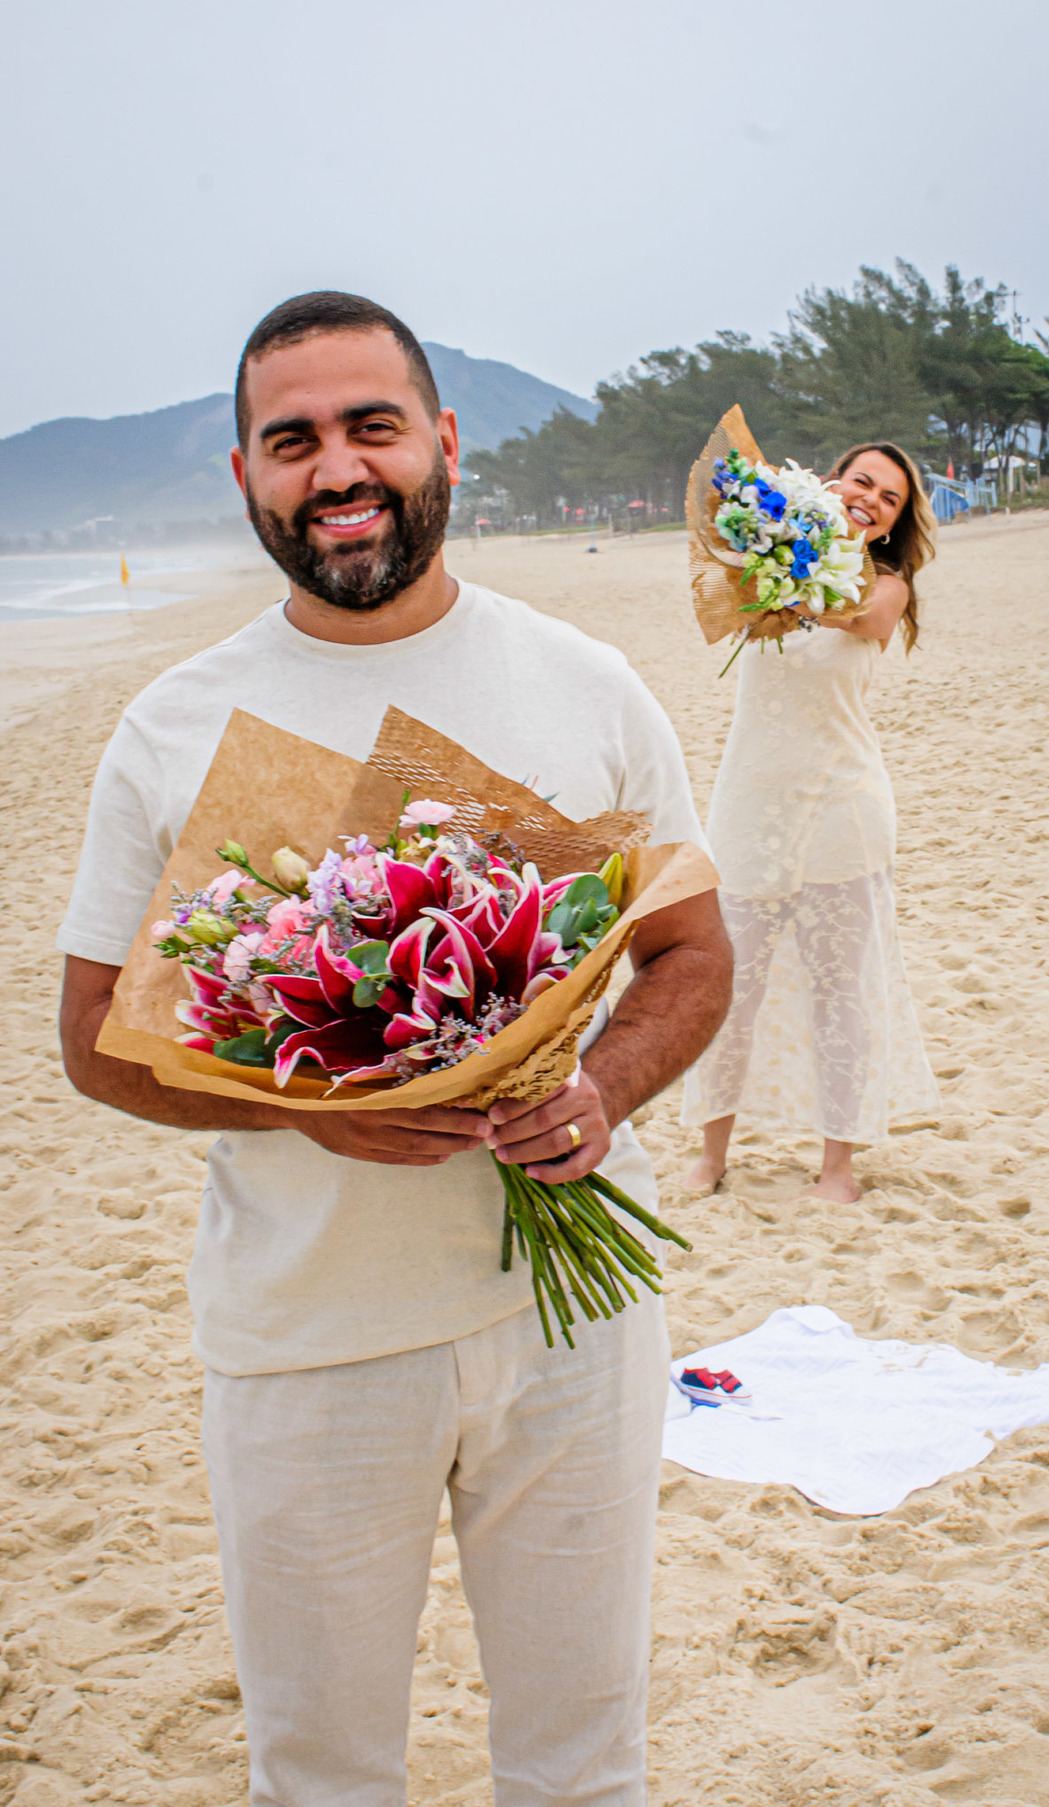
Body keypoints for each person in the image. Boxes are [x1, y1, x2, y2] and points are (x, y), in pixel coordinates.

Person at [57, 290, 732, 1807]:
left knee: (582, 1766)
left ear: (440, 439)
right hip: (306, 1340)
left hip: (575, 1333)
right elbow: (95, 1037)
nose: (335, 467)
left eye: (369, 426)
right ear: (246, 474)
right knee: (322, 1774)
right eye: (291, 441)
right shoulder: (172, 725)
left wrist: (603, 1085)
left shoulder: (585, 682)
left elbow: (694, 954)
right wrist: (310, 1109)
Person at [682, 441, 939, 1203]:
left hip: (842, 805)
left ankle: (838, 1167)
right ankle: (711, 1155)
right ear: (833, 483)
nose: (871, 500)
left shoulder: (887, 585)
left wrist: (791, 578)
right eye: (862, 482)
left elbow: (856, 616)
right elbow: (719, 596)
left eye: (888, 498)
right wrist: (762, 539)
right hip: (749, 803)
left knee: (841, 990)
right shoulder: (757, 564)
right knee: (731, 983)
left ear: (894, 522)